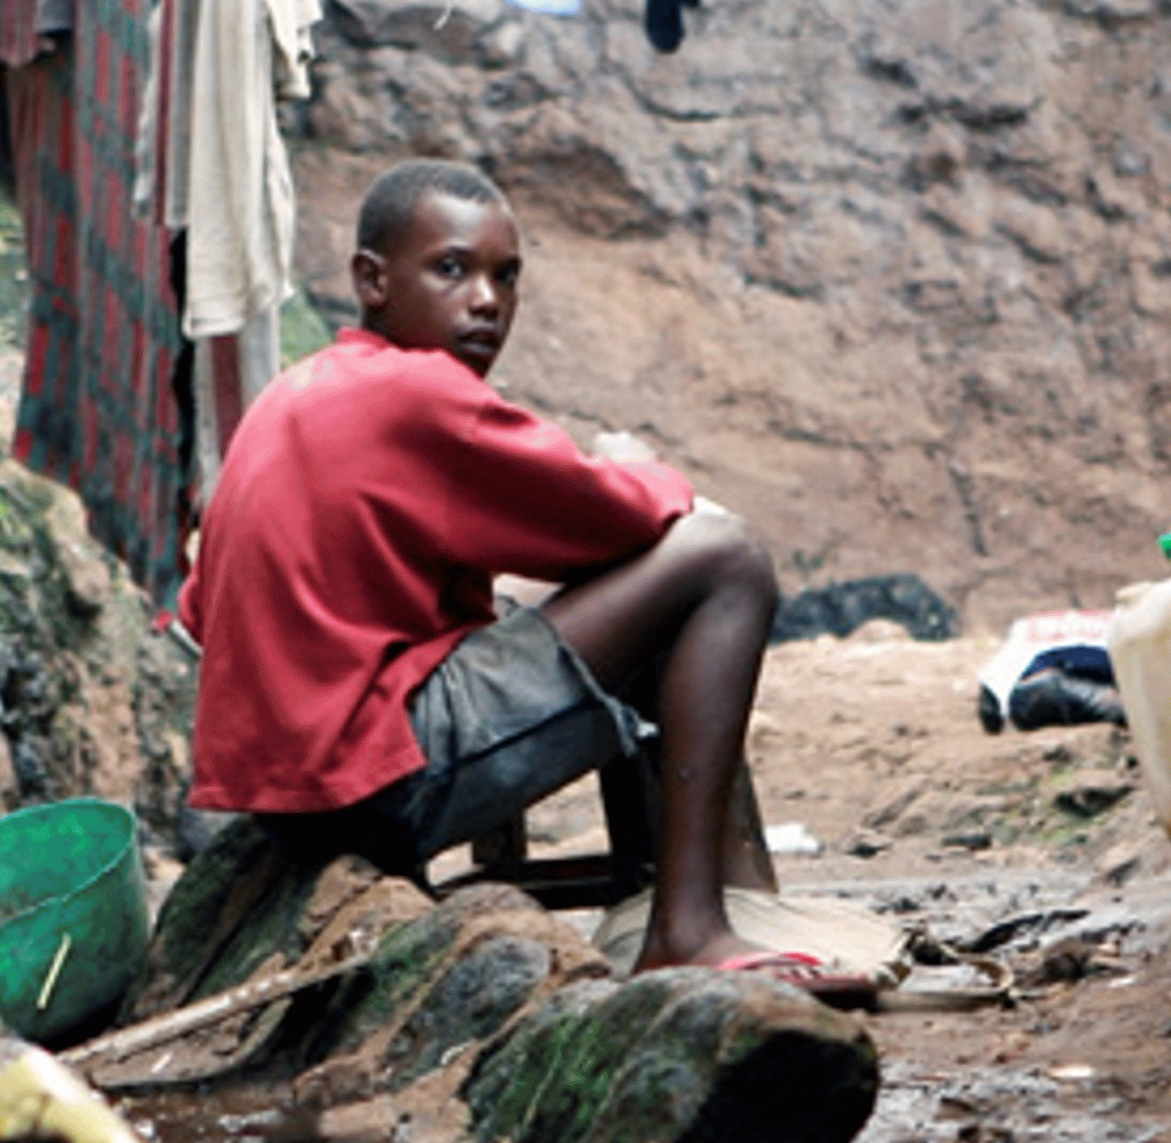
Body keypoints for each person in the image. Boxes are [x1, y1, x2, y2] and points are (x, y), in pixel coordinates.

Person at [181, 158, 866, 999]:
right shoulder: (419, 393)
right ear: (372, 280)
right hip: (372, 782)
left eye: (506, 277)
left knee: (604, 589)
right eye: (452, 269)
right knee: (726, 560)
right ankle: (688, 926)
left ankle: (723, 897)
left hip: (286, 790)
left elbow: (198, 605)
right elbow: (613, 516)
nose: (486, 300)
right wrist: (633, 463)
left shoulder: (299, 391)